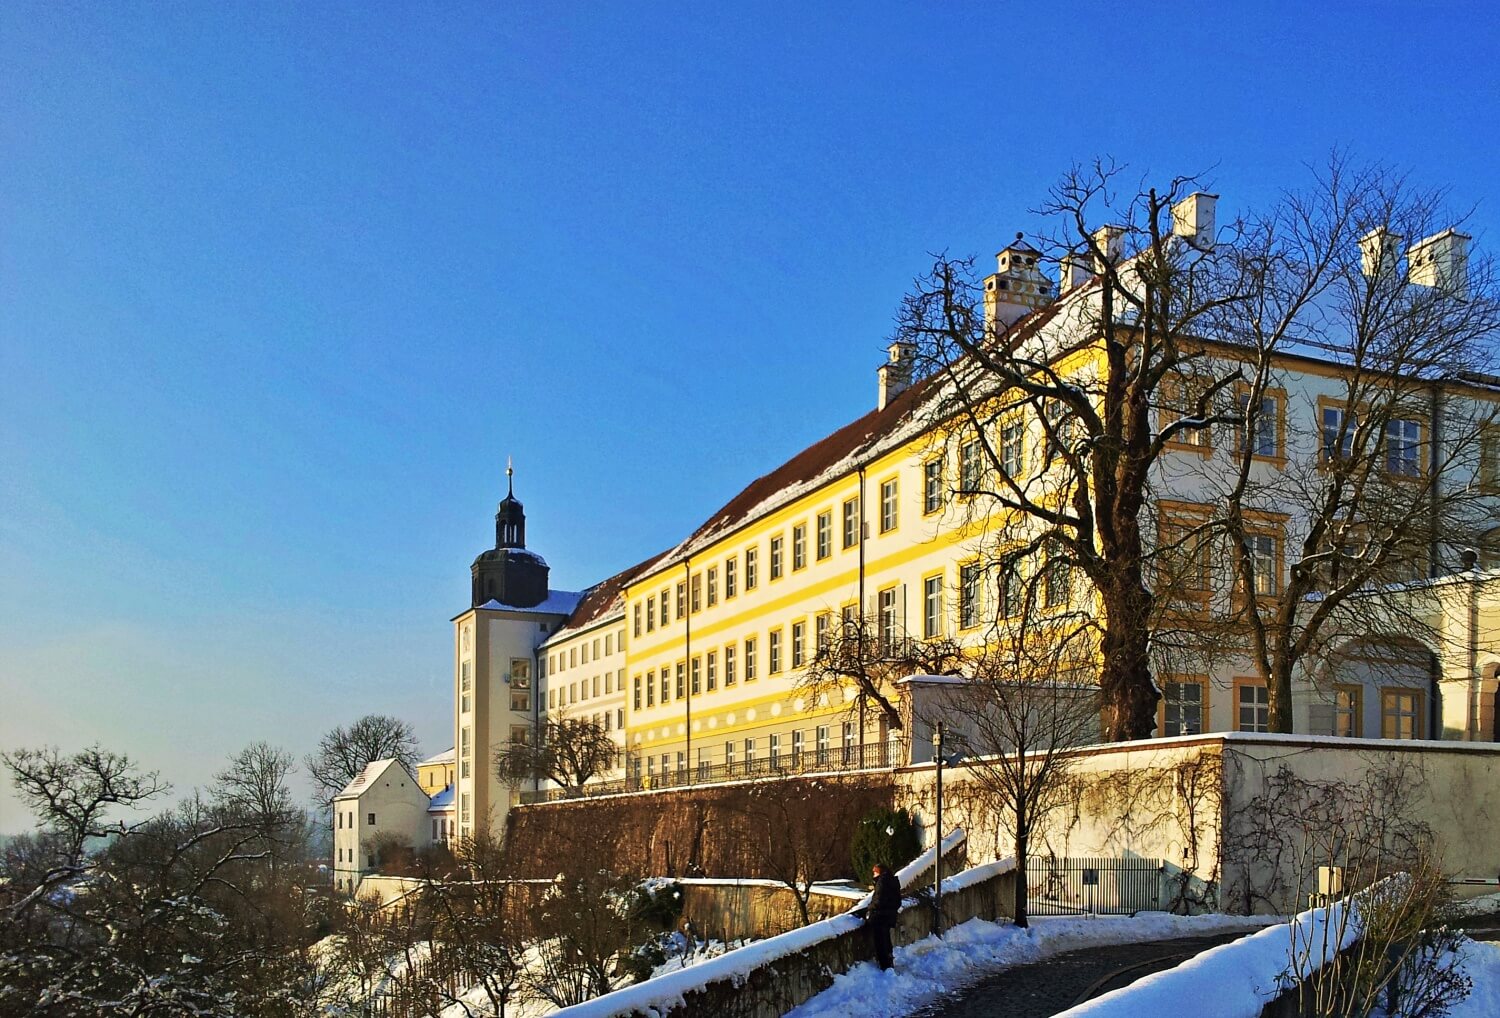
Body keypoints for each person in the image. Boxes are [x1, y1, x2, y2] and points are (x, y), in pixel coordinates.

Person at [865, 862, 901, 971]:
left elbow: (878, 900)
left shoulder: (882, 882)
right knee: (886, 938)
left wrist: (870, 909)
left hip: (880, 916)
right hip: (889, 915)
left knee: (880, 941)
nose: (873, 875)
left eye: (874, 873)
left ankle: (885, 965)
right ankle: (889, 961)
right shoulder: (892, 881)